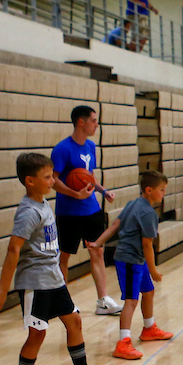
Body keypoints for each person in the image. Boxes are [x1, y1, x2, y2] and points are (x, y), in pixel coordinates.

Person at [0, 153, 116, 365]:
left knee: (75, 322)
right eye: (47, 177)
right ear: (30, 181)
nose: (52, 181)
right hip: (35, 282)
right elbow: (13, 250)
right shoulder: (28, 212)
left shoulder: (44, 203)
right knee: (37, 334)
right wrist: (3, 289)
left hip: (53, 279)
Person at [89, 170, 173, 361]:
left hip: (137, 259)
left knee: (148, 292)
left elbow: (114, 225)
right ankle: (123, 343)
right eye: (162, 190)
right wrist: (153, 270)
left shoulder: (132, 203)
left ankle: (149, 328)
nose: (163, 193)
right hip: (129, 260)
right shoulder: (148, 213)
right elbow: (147, 244)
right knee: (131, 300)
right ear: (149, 190)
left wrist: (97, 243)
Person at [50, 105, 122, 316]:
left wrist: (102, 190)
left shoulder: (90, 146)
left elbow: (88, 176)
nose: (96, 125)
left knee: (97, 251)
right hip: (69, 212)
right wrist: (75, 195)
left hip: (92, 209)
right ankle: (63, 303)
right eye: (93, 120)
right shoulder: (62, 149)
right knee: (64, 256)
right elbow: (53, 180)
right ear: (81, 122)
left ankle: (103, 301)